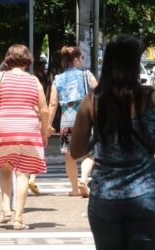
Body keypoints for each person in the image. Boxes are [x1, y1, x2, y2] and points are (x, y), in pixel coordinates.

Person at [70, 35, 155, 250]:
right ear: (135, 64)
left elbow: (76, 150)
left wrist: (98, 136)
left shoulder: (92, 101)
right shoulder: (150, 97)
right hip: (145, 194)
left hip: (104, 196)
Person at [0, 44, 48, 230]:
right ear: (27, 60)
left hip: (5, 126)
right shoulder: (34, 81)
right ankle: (19, 219)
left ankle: (6, 210)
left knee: (5, 169)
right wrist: (44, 132)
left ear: (8, 59)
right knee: (23, 173)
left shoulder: (0, 77)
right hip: (29, 127)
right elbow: (43, 110)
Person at [47, 46, 97, 197]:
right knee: (91, 152)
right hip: (85, 116)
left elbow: (53, 103)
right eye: (81, 58)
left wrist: (48, 124)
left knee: (70, 155)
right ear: (75, 60)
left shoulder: (58, 79)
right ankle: (83, 179)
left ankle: (75, 189)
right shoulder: (87, 75)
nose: (82, 60)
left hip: (67, 118)